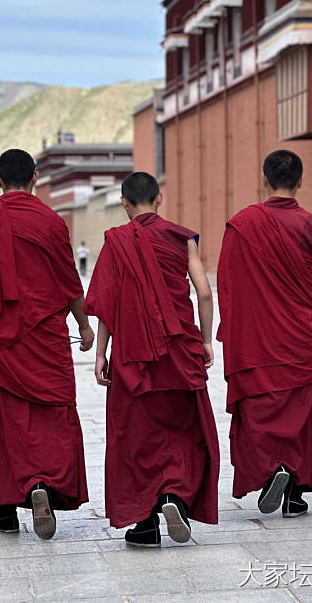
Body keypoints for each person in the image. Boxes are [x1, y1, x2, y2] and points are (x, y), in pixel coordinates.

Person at [0, 148, 94, 540]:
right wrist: (85, 326)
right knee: (49, 417)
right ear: (36, 177)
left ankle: (6, 511)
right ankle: (41, 484)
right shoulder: (50, 222)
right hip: (44, 340)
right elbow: (68, 282)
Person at [84, 172, 219, 547]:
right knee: (183, 432)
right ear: (159, 199)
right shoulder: (182, 237)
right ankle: (174, 496)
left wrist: (100, 354)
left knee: (137, 437)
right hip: (181, 350)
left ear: (125, 203)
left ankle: (144, 524)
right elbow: (204, 293)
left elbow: (108, 304)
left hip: (133, 357)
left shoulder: (116, 241)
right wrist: (205, 341)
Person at [216, 149, 312, 518]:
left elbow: (228, 282)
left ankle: (275, 469)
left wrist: (236, 328)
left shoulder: (242, 223)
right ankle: (296, 493)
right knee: (303, 410)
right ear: (301, 180)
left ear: (265, 179)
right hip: (304, 333)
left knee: (261, 408)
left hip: (259, 338)